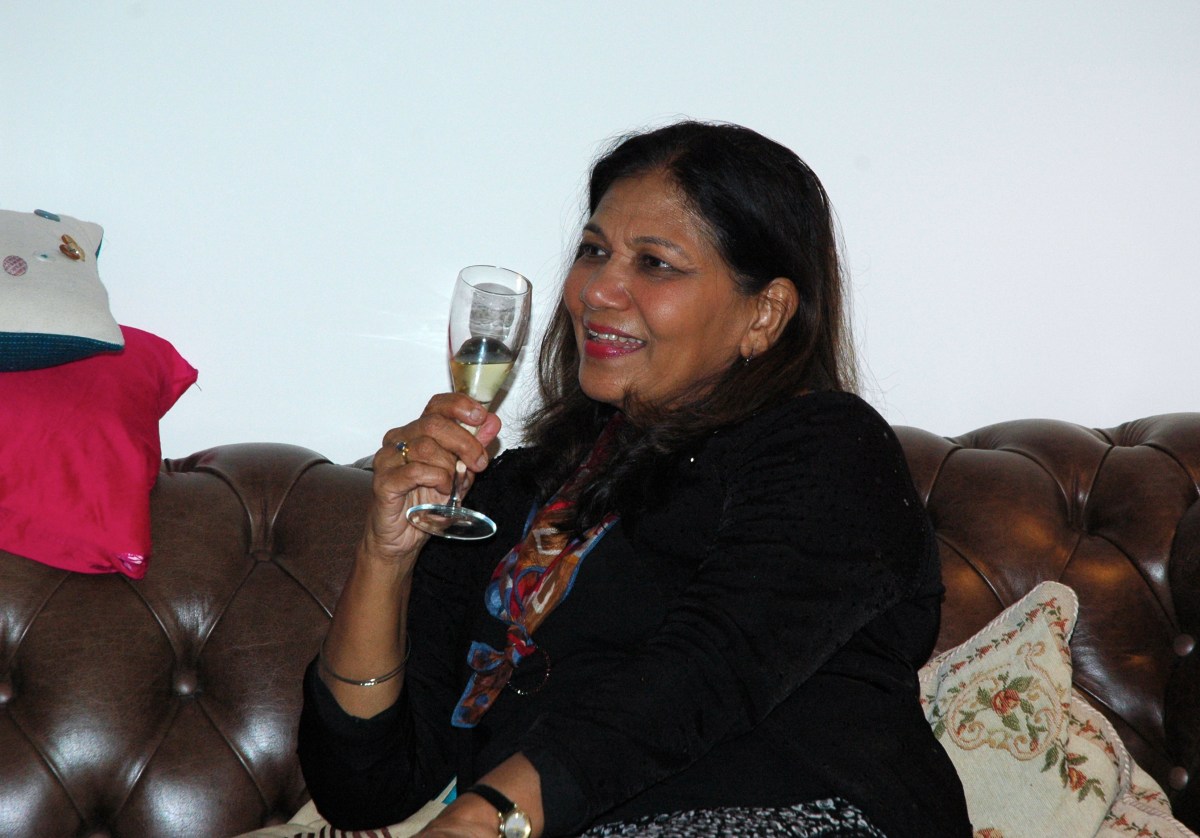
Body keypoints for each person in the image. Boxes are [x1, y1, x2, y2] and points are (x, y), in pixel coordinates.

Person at [297, 120, 972, 838]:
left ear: (764, 314)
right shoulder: (511, 490)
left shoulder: (827, 446)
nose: (597, 291)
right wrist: (386, 554)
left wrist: (492, 814)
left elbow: (709, 671)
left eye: (655, 264)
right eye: (594, 251)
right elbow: (362, 789)